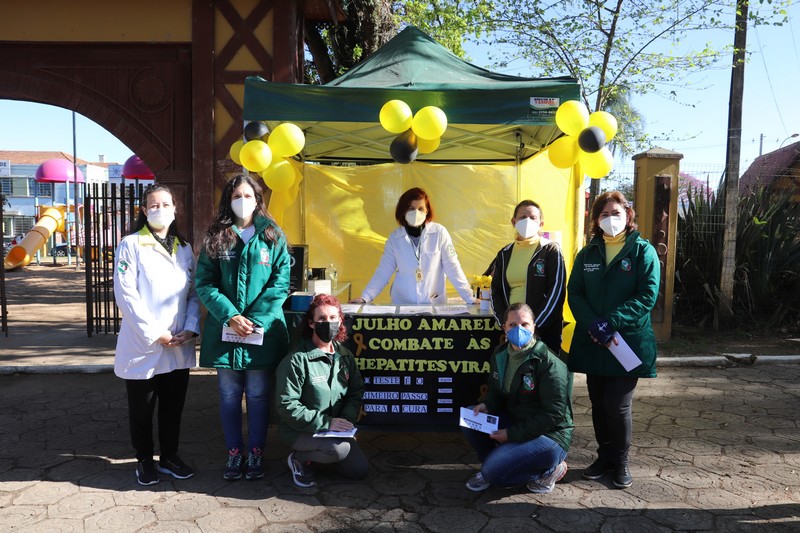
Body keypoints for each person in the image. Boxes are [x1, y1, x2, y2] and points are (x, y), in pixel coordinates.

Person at [195, 174, 291, 482]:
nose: (242, 201)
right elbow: (205, 282)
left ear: (258, 200)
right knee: (229, 394)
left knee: (260, 395)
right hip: (226, 332)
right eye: (237, 196)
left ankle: (257, 452)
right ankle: (235, 453)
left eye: (248, 196)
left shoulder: (273, 235)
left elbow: (281, 282)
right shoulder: (217, 236)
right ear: (228, 200)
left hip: (262, 332)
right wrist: (231, 316)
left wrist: (256, 320)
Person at [566, 190, 660, 490]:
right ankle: (603, 457)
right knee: (598, 402)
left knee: (616, 405)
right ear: (596, 220)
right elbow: (575, 292)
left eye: (616, 213)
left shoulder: (643, 251)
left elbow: (647, 295)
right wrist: (594, 324)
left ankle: (620, 462)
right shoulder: (587, 253)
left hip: (626, 342)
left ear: (628, 215)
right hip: (595, 339)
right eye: (604, 214)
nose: (610, 219)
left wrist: (612, 321)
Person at [113, 184, 200, 486]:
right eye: (153, 205)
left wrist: (190, 327)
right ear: (143, 210)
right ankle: (144, 460)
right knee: (142, 409)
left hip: (178, 342)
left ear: (175, 209)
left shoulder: (184, 248)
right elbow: (126, 295)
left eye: (165, 204)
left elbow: (193, 293)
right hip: (144, 344)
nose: (160, 209)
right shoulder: (131, 245)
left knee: (172, 408)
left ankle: (169, 457)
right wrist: (156, 333)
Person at [462, 302, 573, 494]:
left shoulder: (549, 363)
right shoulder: (501, 354)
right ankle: (496, 464)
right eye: (512, 324)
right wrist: (487, 405)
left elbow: (553, 415)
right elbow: (496, 390)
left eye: (524, 324)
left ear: (534, 327)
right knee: (470, 418)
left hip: (550, 435)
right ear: (504, 327)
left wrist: (511, 434)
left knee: (494, 473)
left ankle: (550, 470)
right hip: (517, 421)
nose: (518, 329)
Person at [276, 293, 368, 488]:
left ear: (340, 320)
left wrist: (346, 422)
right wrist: (326, 422)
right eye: (322, 318)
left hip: (334, 431)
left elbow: (355, 392)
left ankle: (321, 456)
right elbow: (286, 405)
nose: (328, 323)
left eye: (333, 318)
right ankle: (298, 459)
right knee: (338, 451)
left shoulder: (345, 356)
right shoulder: (296, 360)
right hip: (300, 430)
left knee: (358, 470)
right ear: (311, 323)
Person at [353, 187, 475, 305]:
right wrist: (366, 297)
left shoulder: (439, 233)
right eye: (411, 209)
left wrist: (469, 297)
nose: (416, 213)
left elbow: (453, 267)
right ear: (403, 211)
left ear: (427, 211)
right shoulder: (395, 238)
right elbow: (383, 272)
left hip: (433, 304)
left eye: (421, 209)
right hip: (402, 304)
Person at [486, 199, 566, 353]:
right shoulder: (504, 253)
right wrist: (506, 325)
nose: (527, 221)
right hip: (512, 333)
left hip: (543, 332)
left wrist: (534, 327)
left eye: (533, 218)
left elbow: (556, 292)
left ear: (541, 224)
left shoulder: (551, 250)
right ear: (513, 222)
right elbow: (495, 290)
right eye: (523, 217)